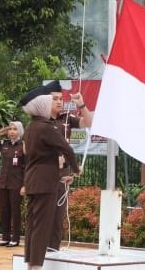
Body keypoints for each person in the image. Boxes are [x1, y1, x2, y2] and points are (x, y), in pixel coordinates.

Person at [21, 82, 80, 270]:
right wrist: (76, 169)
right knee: (42, 226)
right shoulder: (46, 127)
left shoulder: (31, 126)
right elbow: (67, 149)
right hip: (46, 183)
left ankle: (30, 264)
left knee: (32, 225)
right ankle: (36, 266)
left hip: (32, 181)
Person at [50, 87, 94, 251]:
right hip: (45, 174)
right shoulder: (40, 121)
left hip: (63, 175)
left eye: (61, 98)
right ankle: (40, 254)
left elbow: (89, 123)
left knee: (58, 218)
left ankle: (53, 251)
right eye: (54, 99)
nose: (59, 102)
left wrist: (81, 105)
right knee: (43, 218)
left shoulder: (66, 118)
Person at [0, 121, 25, 248]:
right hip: (3, 183)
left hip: (16, 183)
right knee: (4, 211)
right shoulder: (4, 144)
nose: (12, 131)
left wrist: (25, 185)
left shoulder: (23, 145)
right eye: (10, 129)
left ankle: (15, 238)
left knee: (15, 211)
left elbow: (27, 166)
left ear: (20, 131)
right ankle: (5, 237)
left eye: (15, 129)